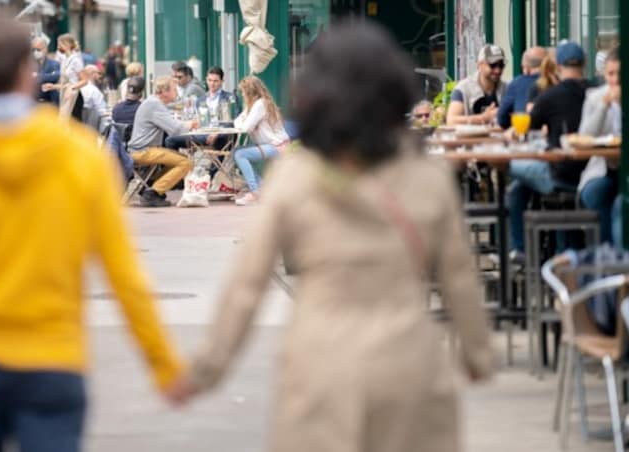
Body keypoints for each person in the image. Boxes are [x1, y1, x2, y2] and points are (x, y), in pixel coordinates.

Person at [165, 19, 493, 452]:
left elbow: (247, 284)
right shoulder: (426, 177)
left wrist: (206, 369)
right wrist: (477, 352)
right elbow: (457, 273)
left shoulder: (295, 178)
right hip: (410, 365)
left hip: (320, 364)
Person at [0, 16, 183, 452]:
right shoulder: (78, 157)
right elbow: (124, 275)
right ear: (28, 71)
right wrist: (163, 365)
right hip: (53, 356)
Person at [507, 41, 590, 258]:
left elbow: (525, 130)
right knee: (518, 188)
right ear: (585, 64)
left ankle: (521, 251)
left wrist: (510, 134)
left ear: (559, 66)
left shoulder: (549, 96)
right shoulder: (597, 91)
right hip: (590, 172)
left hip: (559, 175)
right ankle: (549, 250)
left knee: (510, 165)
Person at [127, 75, 197, 207]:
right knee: (186, 162)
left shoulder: (153, 102)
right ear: (164, 92)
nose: (176, 93)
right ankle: (152, 193)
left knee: (180, 158)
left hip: (142, 149)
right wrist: (190, 124)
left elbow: (172, 121)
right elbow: (176, 130)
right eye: (174, 90)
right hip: (144, 151)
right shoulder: (155, 105)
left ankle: (151, 186)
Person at [578, 47, 621, 244]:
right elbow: (585, 136)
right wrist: (604, 105)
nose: (615, 80)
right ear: (604, 74)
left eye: (620, 73)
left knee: (621, 204)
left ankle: (618, 262)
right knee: (597, 193)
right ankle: (607, 258)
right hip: (602, 169)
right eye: (611, 74)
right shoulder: (595, 97)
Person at [231, 76, 290, 206]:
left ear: (249, 93)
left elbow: (245, 127)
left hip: (277, 146)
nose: (242, 95)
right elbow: (237, 121)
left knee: (240, 154)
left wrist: (243, 122)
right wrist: (243, 121)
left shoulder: (260, 104)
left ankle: (255, 192)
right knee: (236, 152)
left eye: (243, 92)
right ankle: (261, 189)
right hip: (272, 145)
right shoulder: (254, 105)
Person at [164, 66, 234, 152]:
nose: (212, 84)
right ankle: (179, 164)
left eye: (215, 81)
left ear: (222, 81)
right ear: (206, 80)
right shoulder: (201, 100)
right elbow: (197, 120)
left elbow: (232, 121)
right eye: (210, 80)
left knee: (220, 140)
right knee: (170, 140)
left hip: (220, 135)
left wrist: (218, 133)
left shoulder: (229, 98)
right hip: (202, 134)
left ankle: (215, 165)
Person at [446, 44, 506, 125]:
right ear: (479, 65)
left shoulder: (507, 89)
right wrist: (484, 118)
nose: (497, 70)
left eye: (501, 65)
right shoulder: (463, 89)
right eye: (493, 65)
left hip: (500, 137)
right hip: (470, 137)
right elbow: (451, 120)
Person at [497, 46, 547, 129]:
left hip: (526, 135)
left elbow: (502, 119)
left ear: (526, 69)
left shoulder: (517, 84)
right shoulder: (557, 82)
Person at [42, 33, 86, 121]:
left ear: (67, 45)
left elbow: (85, 80)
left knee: (73, 126)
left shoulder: (76, 60)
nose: (58, 47)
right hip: (65, 96)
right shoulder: (65, 60)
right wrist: (53, 86)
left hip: (74, 97)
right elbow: (66, 83)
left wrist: (71, 88)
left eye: (60, 45)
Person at [31, 35, 60, 105]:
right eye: (33, 50)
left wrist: (37, 76)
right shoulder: (28, 64)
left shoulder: (54, 64)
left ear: (45, 49)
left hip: (50, 102)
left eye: (38, 49)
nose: (35, 52)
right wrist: (48, 76)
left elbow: (56, 76)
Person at [80, 64, 109, 133]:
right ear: (93, 74)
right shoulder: (94, 91)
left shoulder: (81, 88)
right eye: (99, 73)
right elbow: (102, 111)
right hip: (94, 130)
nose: (100, 76)